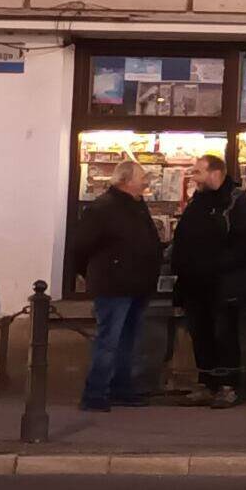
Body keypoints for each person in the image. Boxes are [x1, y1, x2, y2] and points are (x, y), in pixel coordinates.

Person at [66, 161, 164, 413]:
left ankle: (121, 388)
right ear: (125, 180)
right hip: (113, 285)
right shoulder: (103, 209)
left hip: (136, 284)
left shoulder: (136, 205)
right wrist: (92, 274)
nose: (147, 181)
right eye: (142, 176)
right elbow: (79, 246)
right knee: (108, 340)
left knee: (127, 340)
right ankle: (95, 392)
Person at [167, 155, 246, 408]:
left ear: (215, 173)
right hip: (194, 284)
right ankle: (207, 383)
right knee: (201, 334)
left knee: (224, 334)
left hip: (224, 283)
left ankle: (228, 386)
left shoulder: (236, 201)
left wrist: (217, 264)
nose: (192, 176)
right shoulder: (198, 201)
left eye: (198, 171)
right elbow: (185, 238)